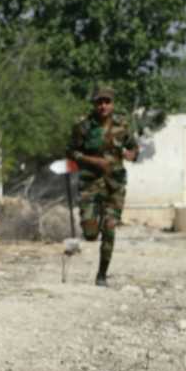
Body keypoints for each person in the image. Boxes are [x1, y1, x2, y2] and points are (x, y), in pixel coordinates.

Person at [66, 86, 139, 286]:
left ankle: (101, 275)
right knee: (90, 234)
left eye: (107, 101)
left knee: (110, 228)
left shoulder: (122, 125)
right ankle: (92, 224)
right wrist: (93, 161)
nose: (103, 106)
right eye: (99, 102)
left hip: (114, 185)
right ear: (94, 104)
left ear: (112, 104)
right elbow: (71, 152)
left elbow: (133, 147)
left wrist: (132, 154)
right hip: (90, 184)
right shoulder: (83, 127)